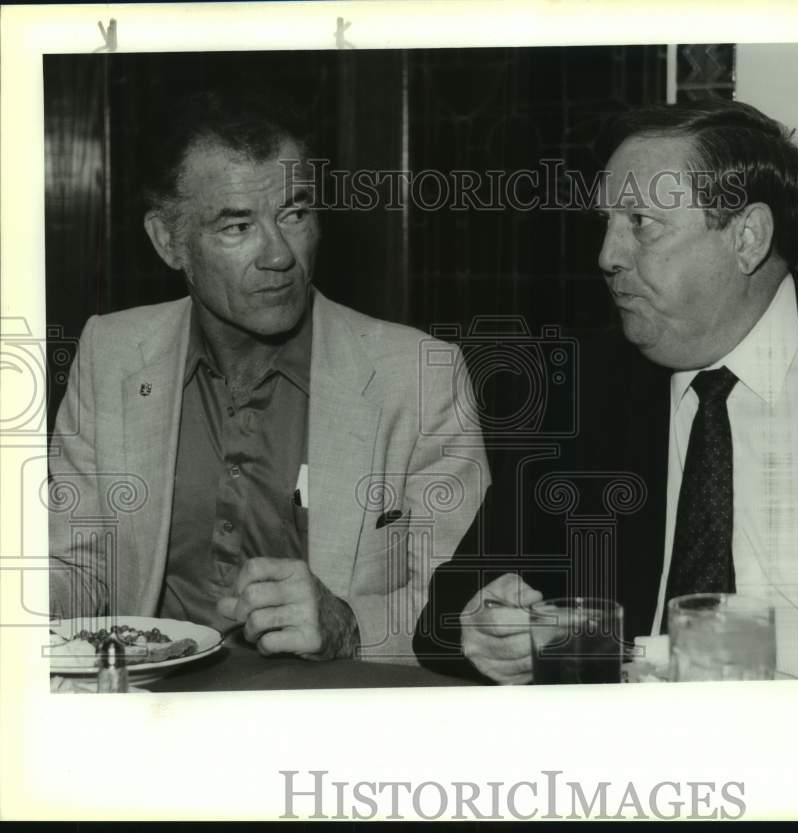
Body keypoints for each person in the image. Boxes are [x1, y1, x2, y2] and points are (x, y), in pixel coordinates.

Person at [414, 99, 798, 682]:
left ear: (748, 237)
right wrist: (490, 631)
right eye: (606, 223)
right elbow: (450, 610)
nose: (607, 256)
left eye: (641, 223)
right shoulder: (584, 385)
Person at [48, 91, 488, 664]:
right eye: (237, 226)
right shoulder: (110, 352)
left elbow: (470, 610)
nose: (279, 255)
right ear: (168, 241)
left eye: (294, 214)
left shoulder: (421, 377)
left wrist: (348, 625)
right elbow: (78, 564)